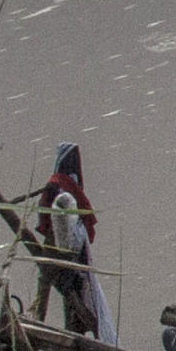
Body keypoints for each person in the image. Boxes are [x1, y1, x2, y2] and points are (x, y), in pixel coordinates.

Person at [28, 143, 106, 339]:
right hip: (71, 244)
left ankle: (40, 319)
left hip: (55, 242)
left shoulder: (56, 183)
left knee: (46, 280)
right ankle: (79, 324)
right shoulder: (70, 183)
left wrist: (45, 226)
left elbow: (44, 209)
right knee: (71, 282)